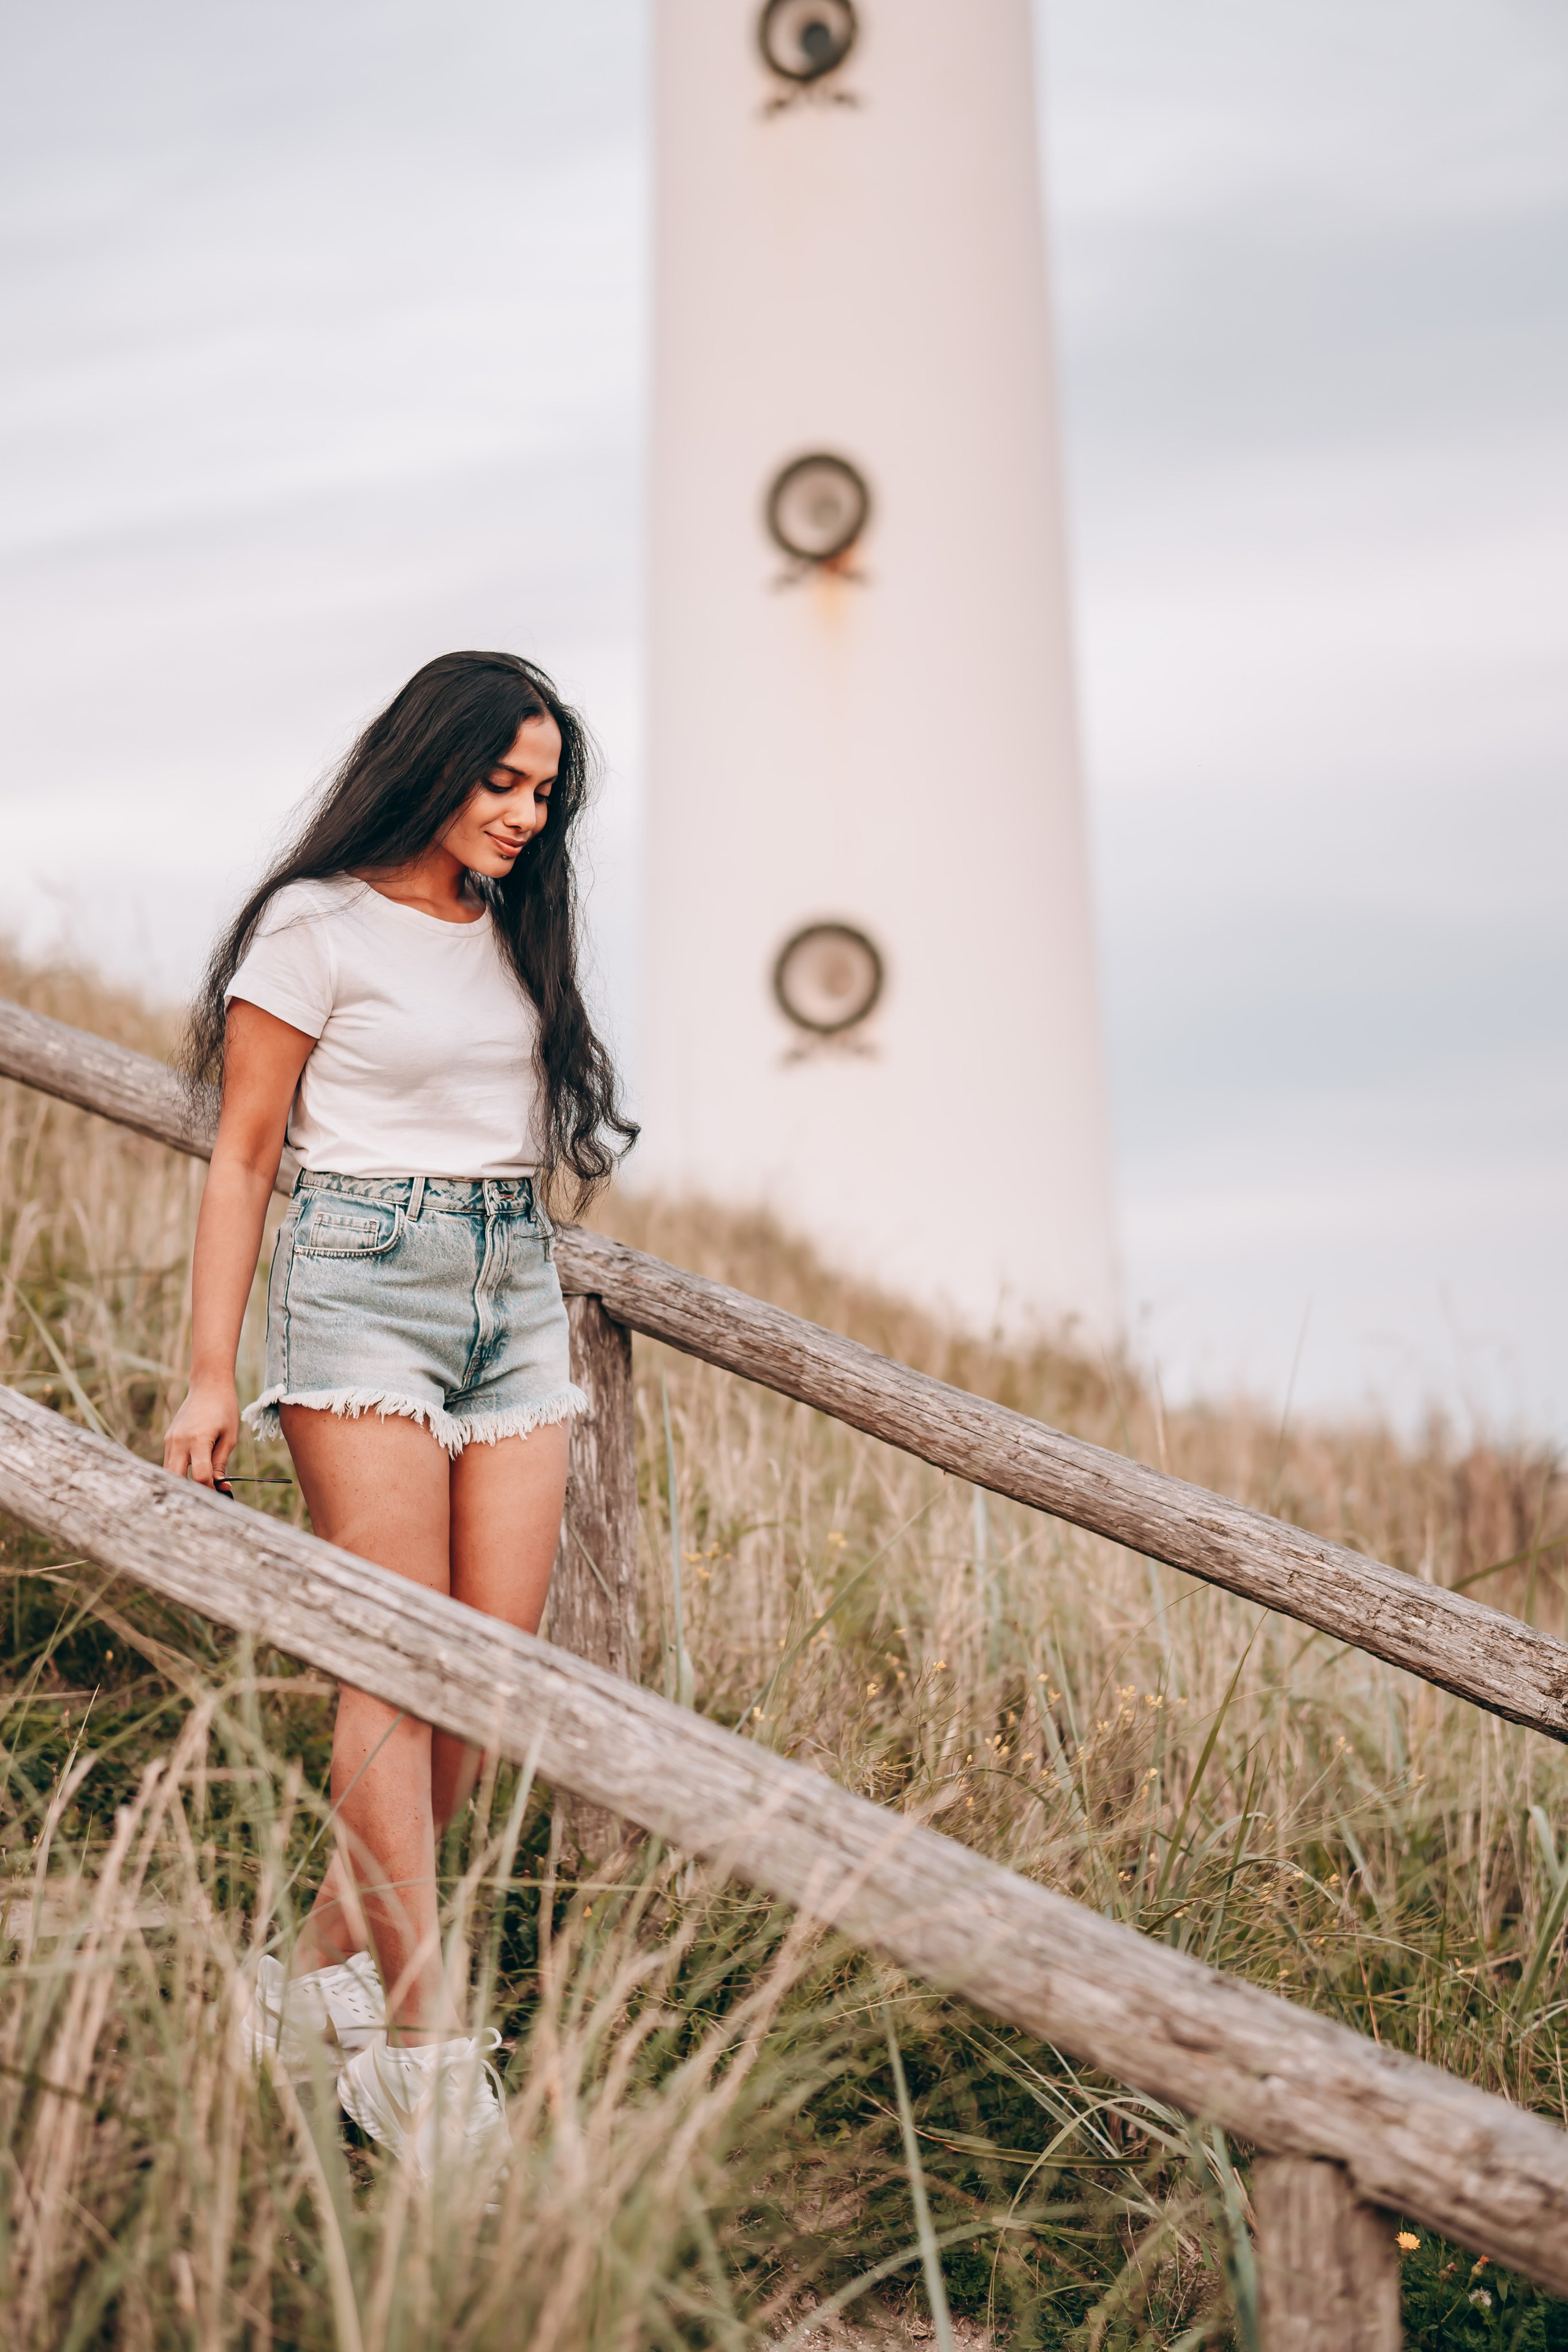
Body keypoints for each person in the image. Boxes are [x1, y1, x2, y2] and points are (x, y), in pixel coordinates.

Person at [164, 650, 636, 2174]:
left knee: (477, 1686)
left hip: (514, 1293)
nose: (522, 813)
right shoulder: (312, 929)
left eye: (542, 790)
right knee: (391, 1652)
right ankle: (425, 2054)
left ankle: (303, 1991)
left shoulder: (516, 926)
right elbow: (243, 1156)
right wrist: (208, 1371)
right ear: (429, 764)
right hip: (360, 1280)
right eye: (500, 781)